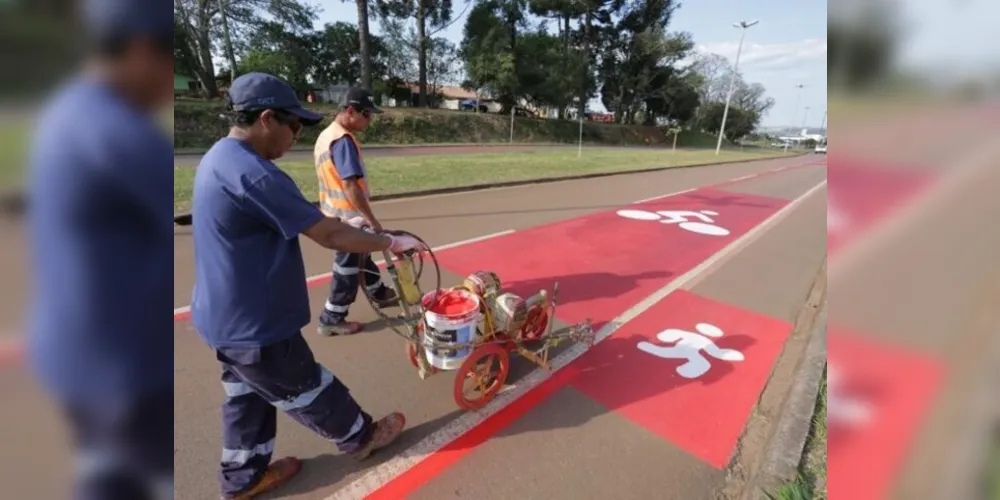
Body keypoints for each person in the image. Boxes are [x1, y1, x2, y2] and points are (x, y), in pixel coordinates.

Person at [190, 73, 426, 500]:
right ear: (266, 119)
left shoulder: (220, 158)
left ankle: (242, 477)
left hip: (221, 316)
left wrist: (345, 225)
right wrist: (389, 240)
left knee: (247, 395)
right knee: (305, 383)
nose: (297, 136)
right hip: (255, 322)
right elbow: (330, 237)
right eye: (293, 126)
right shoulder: (255, 174)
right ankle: (361, 436)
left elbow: (308, 222)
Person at [25, 1, 175, 499]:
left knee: (107, 472)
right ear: (138, 50)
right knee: (149, 475)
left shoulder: (66, 111)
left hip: (73, 355)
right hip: (123, 368)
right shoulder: (120, 133)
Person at [312, 87, 398, 336]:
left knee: (362, 257)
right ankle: (332, 317)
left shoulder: (326, 135)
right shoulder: (343, 142)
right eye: (367, 114)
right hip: (349, 217)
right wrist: (372, 221)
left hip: (334, 212)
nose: (369, 120)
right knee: (347, 268)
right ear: (351, 111)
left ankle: (379, 293)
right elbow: (350, 186)